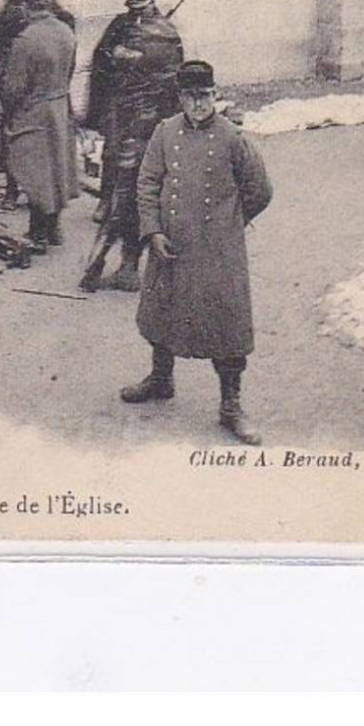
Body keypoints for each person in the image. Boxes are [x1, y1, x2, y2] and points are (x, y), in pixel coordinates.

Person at [123, 60, 273, 445]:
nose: (198, 104)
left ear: (215, 95)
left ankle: (231, 406)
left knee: (226, 324)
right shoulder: (165, 132)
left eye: (205, 96)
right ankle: (160, 380)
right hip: (170, 244)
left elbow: (260, 189)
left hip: (218, 251)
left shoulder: (232, 138)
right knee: (161, 312)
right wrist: (153, 230)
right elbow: (148, 182)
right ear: (180, 99)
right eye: (190, 97)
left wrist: (229, 224)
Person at [83, 0, 185, 290]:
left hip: (128, 128)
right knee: (141, 196)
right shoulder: (168, 34)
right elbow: (175, 88)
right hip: (151, 131)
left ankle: (108, 263)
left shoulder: (123, 31)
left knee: (124, 195)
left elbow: (100, 72)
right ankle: (127, 265)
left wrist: (95, 117)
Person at [0, 0, 77, 210]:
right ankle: (14, 190)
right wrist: (1, 76)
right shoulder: (10, 16)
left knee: (35, 141)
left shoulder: (52, 16)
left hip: (38, 88)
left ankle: (42, 200)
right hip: (24, 85)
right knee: (19, 141)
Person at [0, 0, 79, 252]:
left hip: (34, 111)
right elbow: (69, 73)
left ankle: (38, 232)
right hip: (59, 106)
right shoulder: (66, 32)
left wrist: (10, 112)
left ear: (27, 6)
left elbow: (13, 87)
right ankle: (54, 227)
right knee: (57, 169)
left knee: (35, 171)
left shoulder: (26, 39)